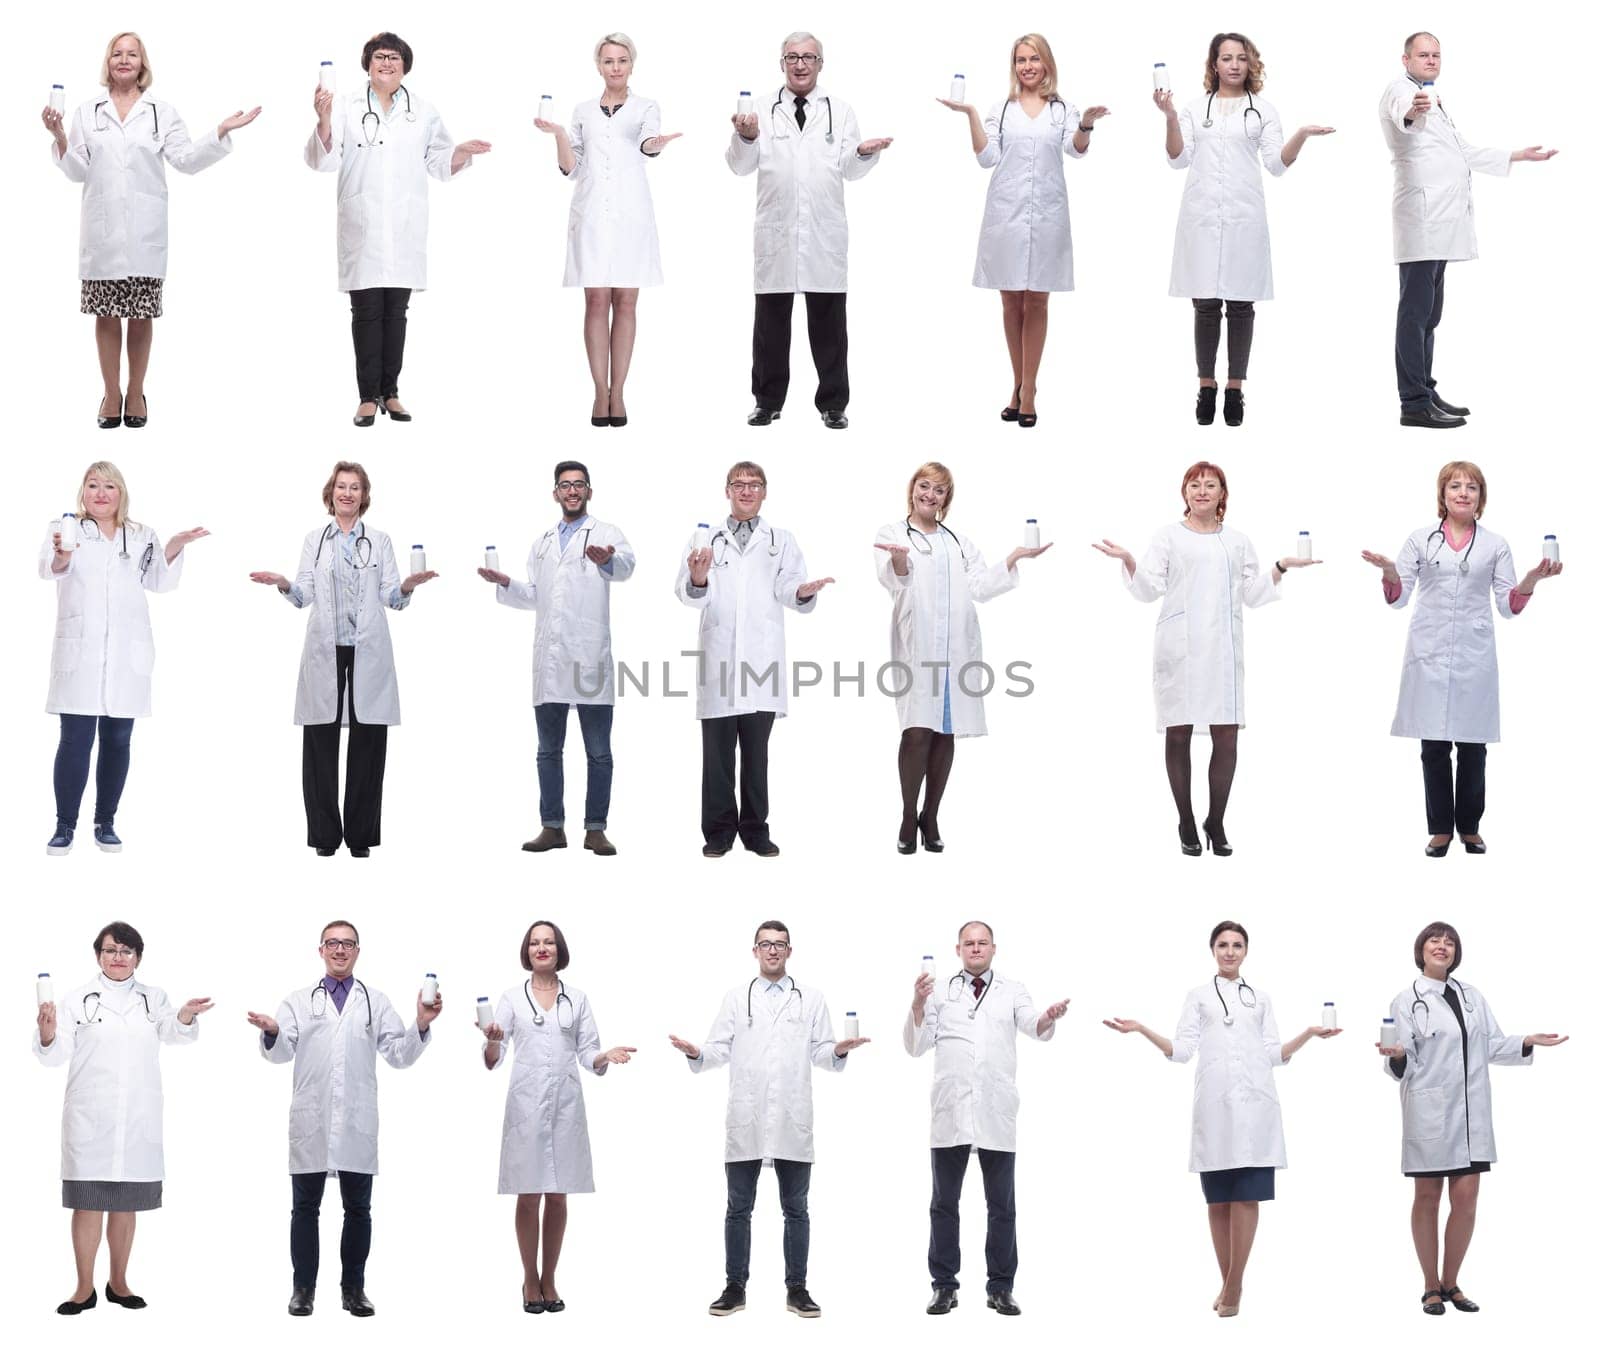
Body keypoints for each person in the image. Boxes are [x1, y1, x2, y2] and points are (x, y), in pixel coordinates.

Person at [1104, 920, 1340, 1318]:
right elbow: (1181, 1051)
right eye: (1223, 945)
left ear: (1246, 951)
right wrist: (1142, 1029)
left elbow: (1272, 1054)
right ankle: (1230, 1284)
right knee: (1218, 1201)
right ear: (1212, 950)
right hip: (1215, 1109)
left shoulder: (1260, 999)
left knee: (1247, 1196)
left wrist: (1308, 1035)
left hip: (1256, 1109)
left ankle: (1233, 1287)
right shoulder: (1198, 997)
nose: (1230, 952)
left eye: (1237, 945)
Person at [1093, 461, 1318, 856]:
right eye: (1194, 485)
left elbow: (1251, 593)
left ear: (1221, 494)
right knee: (1178, 731)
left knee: (1226, 734)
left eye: (1209, 485)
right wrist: (1129, 561)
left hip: (1222, 650)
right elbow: (1147, 589)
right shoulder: (1168, 537)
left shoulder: (1237, 541)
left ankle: (1216, 819)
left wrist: (1281, 567)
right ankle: (1185, 819)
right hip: (1179, 648)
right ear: (1184, 493)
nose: (1201, 491)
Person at [43, 31, 258, 428]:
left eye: (132, 54)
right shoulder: (87, 112)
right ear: (107, 63)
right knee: (106, 315)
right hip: (102, 233)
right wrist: (58, 137)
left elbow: (187, 158)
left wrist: (221, 131)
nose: (124, 60)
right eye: (117, 54)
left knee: (141, 316)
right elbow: (77, 170)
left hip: (145, 234)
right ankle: (111, 393)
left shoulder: (162, 111)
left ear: (143, 64)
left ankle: (136, 391)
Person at [669, 920, 869, 1318]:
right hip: (747, 1118)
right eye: (766, 944)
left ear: (790, 951)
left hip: (792, 1120)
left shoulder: (810, 998)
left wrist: (840, 1050)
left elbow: (823, 1054)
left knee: (796, 1208)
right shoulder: (735, 997)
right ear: (755, 951)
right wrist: (695, 1052)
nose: (773, 950)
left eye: (780, 945)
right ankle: (734, 1287)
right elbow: (716, 1050)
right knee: (738, 1208)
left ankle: (797, 1289)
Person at [1361, 461, 1561, 856]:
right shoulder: (1422, 540)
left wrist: (1532, 580)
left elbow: (1507, 603)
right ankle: (1439, 830)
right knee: (1433, 747)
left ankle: (1469, 827)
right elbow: (1399, 598)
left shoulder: (1494, 544)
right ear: (1443, 494)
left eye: (1471, 487)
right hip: (1429, 652)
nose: (1463, 493)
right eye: (1455, 486)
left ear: (1481, 497)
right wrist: (1388, 572)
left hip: (1474, 654)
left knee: (1473, 747)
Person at [247, 920, 439, 1318]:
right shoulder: (299, 1000)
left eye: (347, 944)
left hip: (356, 1121)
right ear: (320, 950)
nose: (339, 950)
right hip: (311, 1121)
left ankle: (354, 1289)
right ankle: (303, 1290)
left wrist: (420, 1023)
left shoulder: (376, 1001)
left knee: (359, 1210)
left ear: (357, 951)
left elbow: (399, 1055)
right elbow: (281, 1052)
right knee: (304, 1208)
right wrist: (271, 1031)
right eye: (332, 943)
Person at [1378, 922, 1567, 1315]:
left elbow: (1491, 1044)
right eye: (1435, 940)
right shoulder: (1406, 999)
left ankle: (1452, 1282)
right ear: (1421, 950)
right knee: (1427, 1199)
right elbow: (1405, 1057)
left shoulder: (1471, 996)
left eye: (1450, 942)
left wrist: (1527, 1041)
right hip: (1429, 1115)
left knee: (1466, 1201)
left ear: (1456, 952)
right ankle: (1430, 1285)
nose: (1442, 946)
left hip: (1471, 1116)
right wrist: (1396, 1056)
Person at [249, 462, 437, 856]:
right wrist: (283, 584)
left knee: (368, 744)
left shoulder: (380, 540)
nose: (347, 493)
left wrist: (407, 586)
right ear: (330, 493)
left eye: (355, 487)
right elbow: (303, 595)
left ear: (364, 496)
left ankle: (360, 838)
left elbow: (391, 597)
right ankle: (324, 837)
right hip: (325, 648)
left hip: (368, 648)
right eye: (341, 486)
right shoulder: (315, 540)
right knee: (320, 745)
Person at [307, 31, 491, 425]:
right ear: (367, 64)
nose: (386, 63)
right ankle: (367, 396)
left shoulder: (422, 111)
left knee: (397, 312)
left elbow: (439, 162)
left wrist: (460, 151)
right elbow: (323, 161)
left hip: (404, 226)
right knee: (367, 312)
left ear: (405, 66)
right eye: (378, 57)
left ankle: (391, 392)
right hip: (363, 225)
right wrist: (323, 119)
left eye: (393, 57)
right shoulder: (345, 106)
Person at [1380, 32, 1557, 428]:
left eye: (1436, 54)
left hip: (1439, 223)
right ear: (1405, 59)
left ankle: (1425, 389)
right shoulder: (1403, 92)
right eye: (1423, 54)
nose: (1431, 60)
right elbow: (1405, 115)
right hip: (1421, 220)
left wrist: (1518, 156)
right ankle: (1413, 403)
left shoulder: (1433, 96)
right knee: (1414, 314)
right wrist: (1416, 109)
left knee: (1429, 316)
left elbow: (1463, 151)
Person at [34, 921, 210, 1314]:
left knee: (126, 1205)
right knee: (88, 1204)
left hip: (136, 1122)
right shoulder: (77, 999)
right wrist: (47, 1033)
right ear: (98, 955)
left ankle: (119, 1282)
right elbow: (55, 1053)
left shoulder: (154, 997)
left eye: (126, 951)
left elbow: (174, 1033)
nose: (118, 957)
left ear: (138, 958)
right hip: (90, 1121)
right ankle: (83, 1288)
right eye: (111, 950)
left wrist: (183, 1015)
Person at [873, 463, 1051, 853]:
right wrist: (901, 560)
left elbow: (981, 587)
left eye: (939, 491)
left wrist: (1014, 557)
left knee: (944, 733)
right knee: (916, 730)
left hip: (956, 651)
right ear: (912, 489)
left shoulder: (958, 542)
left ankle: (931, 815)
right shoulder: (891, 534)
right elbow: (893, 579)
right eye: (924, 486)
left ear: (946, 499)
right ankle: (907, 815)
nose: (930, 495)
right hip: (918, 647)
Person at [1156, 33, 1332, 425]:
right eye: (1226, 58)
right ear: (1213, 65)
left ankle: (1234, 390)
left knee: (1240, 306)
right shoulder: (1192, 108)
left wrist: (1300, 136)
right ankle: (1206, 387)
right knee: (1204, 304)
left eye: (1241, 58)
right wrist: (1169, 118)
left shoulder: (1263, 110)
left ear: (1250, 64)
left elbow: (1276, 163)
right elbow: (1177, 158)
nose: (1234, 65)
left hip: (1243, 218)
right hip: (1201, 217)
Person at [938, 34, 1106, 428]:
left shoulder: (1062, 109)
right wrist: (971, 115)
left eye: (1034, 59)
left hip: (1047, 214)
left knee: (1038, 301)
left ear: (1047, 63)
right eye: (1020, 60)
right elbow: (987, 158)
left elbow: (1076, 150)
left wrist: (1085, 125)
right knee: (1011, 301)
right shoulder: (1003, 109)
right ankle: (1017, 384)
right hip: (1006, 214)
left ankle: (1029, 389)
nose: (1027, 67)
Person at [42, 461, 208, 855]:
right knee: (75, 740)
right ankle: (65, 825)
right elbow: (52, 570)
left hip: (125, 655)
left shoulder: (140, 534)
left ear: (121, 493)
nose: (101, 493)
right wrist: (63, 556)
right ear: (83, 492)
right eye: (93, 485)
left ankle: (105, 822)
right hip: (80, 652)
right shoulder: (64, 529)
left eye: (109, 486)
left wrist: (176, 545)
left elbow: (158, 581)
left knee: (118, 740)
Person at [729, 32, 893, 429]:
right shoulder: (759, 111)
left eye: (808, 57)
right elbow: (739, 165)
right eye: (792, 57)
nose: (800, 64)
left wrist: (864, 153)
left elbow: (849, 170)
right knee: (770, 325)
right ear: (781, 63)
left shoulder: (840, 110)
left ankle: (833, 403)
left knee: (829, 325)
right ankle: (767, 401)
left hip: (823, 233)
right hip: (777, 233)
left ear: (821, 64)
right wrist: (746, 136)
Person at [905, 921, 1068, 1316]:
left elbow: (1033, 1025)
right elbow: (915, 1047)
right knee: (944, 1204)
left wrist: (1049, 1016)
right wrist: (916, 1004)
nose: (975, 949)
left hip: (996, 1112)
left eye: (982, 943)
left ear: (994, 948)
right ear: (957, 949)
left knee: (1002, 1207)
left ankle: (1000, 1287)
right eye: (968, 944)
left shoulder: (1013, 990)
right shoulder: (938, 991)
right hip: (951, 1112)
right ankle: (944, 1286)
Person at [675, 462, 833, 857]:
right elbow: (688, 593)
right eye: (739, 484)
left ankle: (755, 830)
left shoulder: (781, 539)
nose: (746, 491)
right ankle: (718, 832)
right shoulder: (705, 538)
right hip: (719, 662)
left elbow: (788, 588)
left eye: (755, 485)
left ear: (765, 492)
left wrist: (803, 590)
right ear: (726, 490)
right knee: (717, 758)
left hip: (761, 662)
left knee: (756, 757)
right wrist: (697, 578)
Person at [479, 461, 635, 855]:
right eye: (565, 485)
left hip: (589, 659)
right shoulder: (543, 543)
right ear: (555, 493)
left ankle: (595, 829)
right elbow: (537, 596)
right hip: (550, 660)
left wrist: (606, 560)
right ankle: (552, 827)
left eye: (578, 484)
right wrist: (506, 584)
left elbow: (626, 567)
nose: (572, 491)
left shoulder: (606, 533)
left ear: (589, 491)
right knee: (548, 750)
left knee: (599, 752)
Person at [479, 921, 636, 1313]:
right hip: (526, 1106)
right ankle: (529, 1279)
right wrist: (493, 1041)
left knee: (559, 1193)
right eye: (535, 943)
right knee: (529, 1193)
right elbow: (492, 1056)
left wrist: (604, 1056)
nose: (542, 948)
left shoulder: (576, 999)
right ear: (526, 951)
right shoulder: (512, 998)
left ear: (559, 948)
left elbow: (588, 1052)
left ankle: (550, 1277)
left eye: (548, 941)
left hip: (566, 1105)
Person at [536, 33, 680, 427]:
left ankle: (621, 391)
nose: (615, 67)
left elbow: (649, 144)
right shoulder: (582, 111)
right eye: (607, 61)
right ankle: (600, 391)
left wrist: (657, 143)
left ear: (632, 64)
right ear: (598, 66)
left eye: (621, 60)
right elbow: (571, 168)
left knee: (627, 303)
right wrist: (560, 136)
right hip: (592, 214)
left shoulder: (646, 106)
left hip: (631, 215)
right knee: (596, 301)